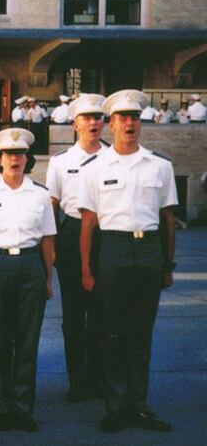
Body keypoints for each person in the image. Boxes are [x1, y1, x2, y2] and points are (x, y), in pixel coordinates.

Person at [78, 89, 177, 433]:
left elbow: (167, 220)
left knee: (142, 333)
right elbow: (88, 223)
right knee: (114, 332)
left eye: (134, 117)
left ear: (141, 122)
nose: (129, 123)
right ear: (111, 124)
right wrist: (87, 269)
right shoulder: (94, 168)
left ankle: (140, 405)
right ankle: (116, 406)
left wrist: (168, 264)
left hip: (148, 249)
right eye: (122, 118)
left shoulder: (160, 166)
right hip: (113, 249)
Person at [0, 128, 56, 432]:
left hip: (31, 265)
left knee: (27, 342)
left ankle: (22, 408)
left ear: (26, 158)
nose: (14, 159)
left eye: (20, 154)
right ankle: (1, 408)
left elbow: (47, 241)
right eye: (8, 154)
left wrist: (47, 278)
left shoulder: (40, 195)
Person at [45, 94, 106, 404]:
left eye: (98, 118)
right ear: (74, 124)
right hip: (70, 234)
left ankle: (99, 378)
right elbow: (52, 209)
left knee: (103, 313)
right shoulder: (60, 162)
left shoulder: (113, 158)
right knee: (73, 313)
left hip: (106, 236)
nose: (93, 123)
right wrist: (52, 249)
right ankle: (78, 381)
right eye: (87, 118)